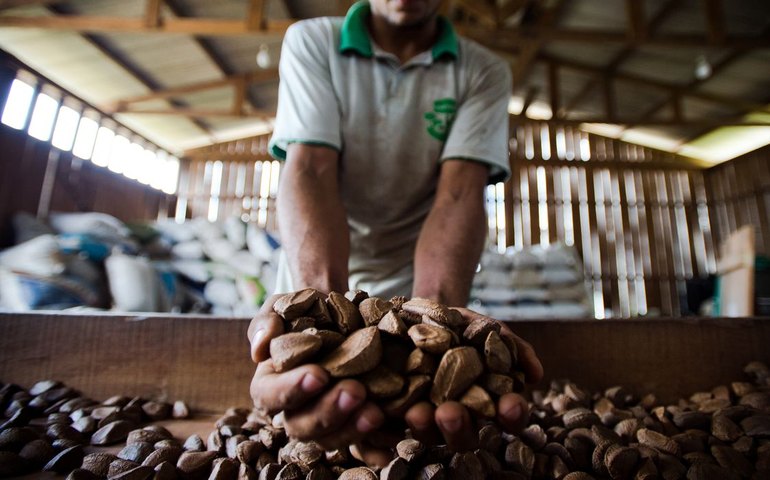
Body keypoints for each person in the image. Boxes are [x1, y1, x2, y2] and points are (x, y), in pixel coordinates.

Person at [248, 0, 543, 464]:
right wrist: (324, 322)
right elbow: (311, 170)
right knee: (312, 423)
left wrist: (435, 328)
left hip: (421, 275)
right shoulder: (314, 42)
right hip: (318, 270)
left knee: (421, 437)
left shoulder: (482, 70)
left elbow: (459, 196)